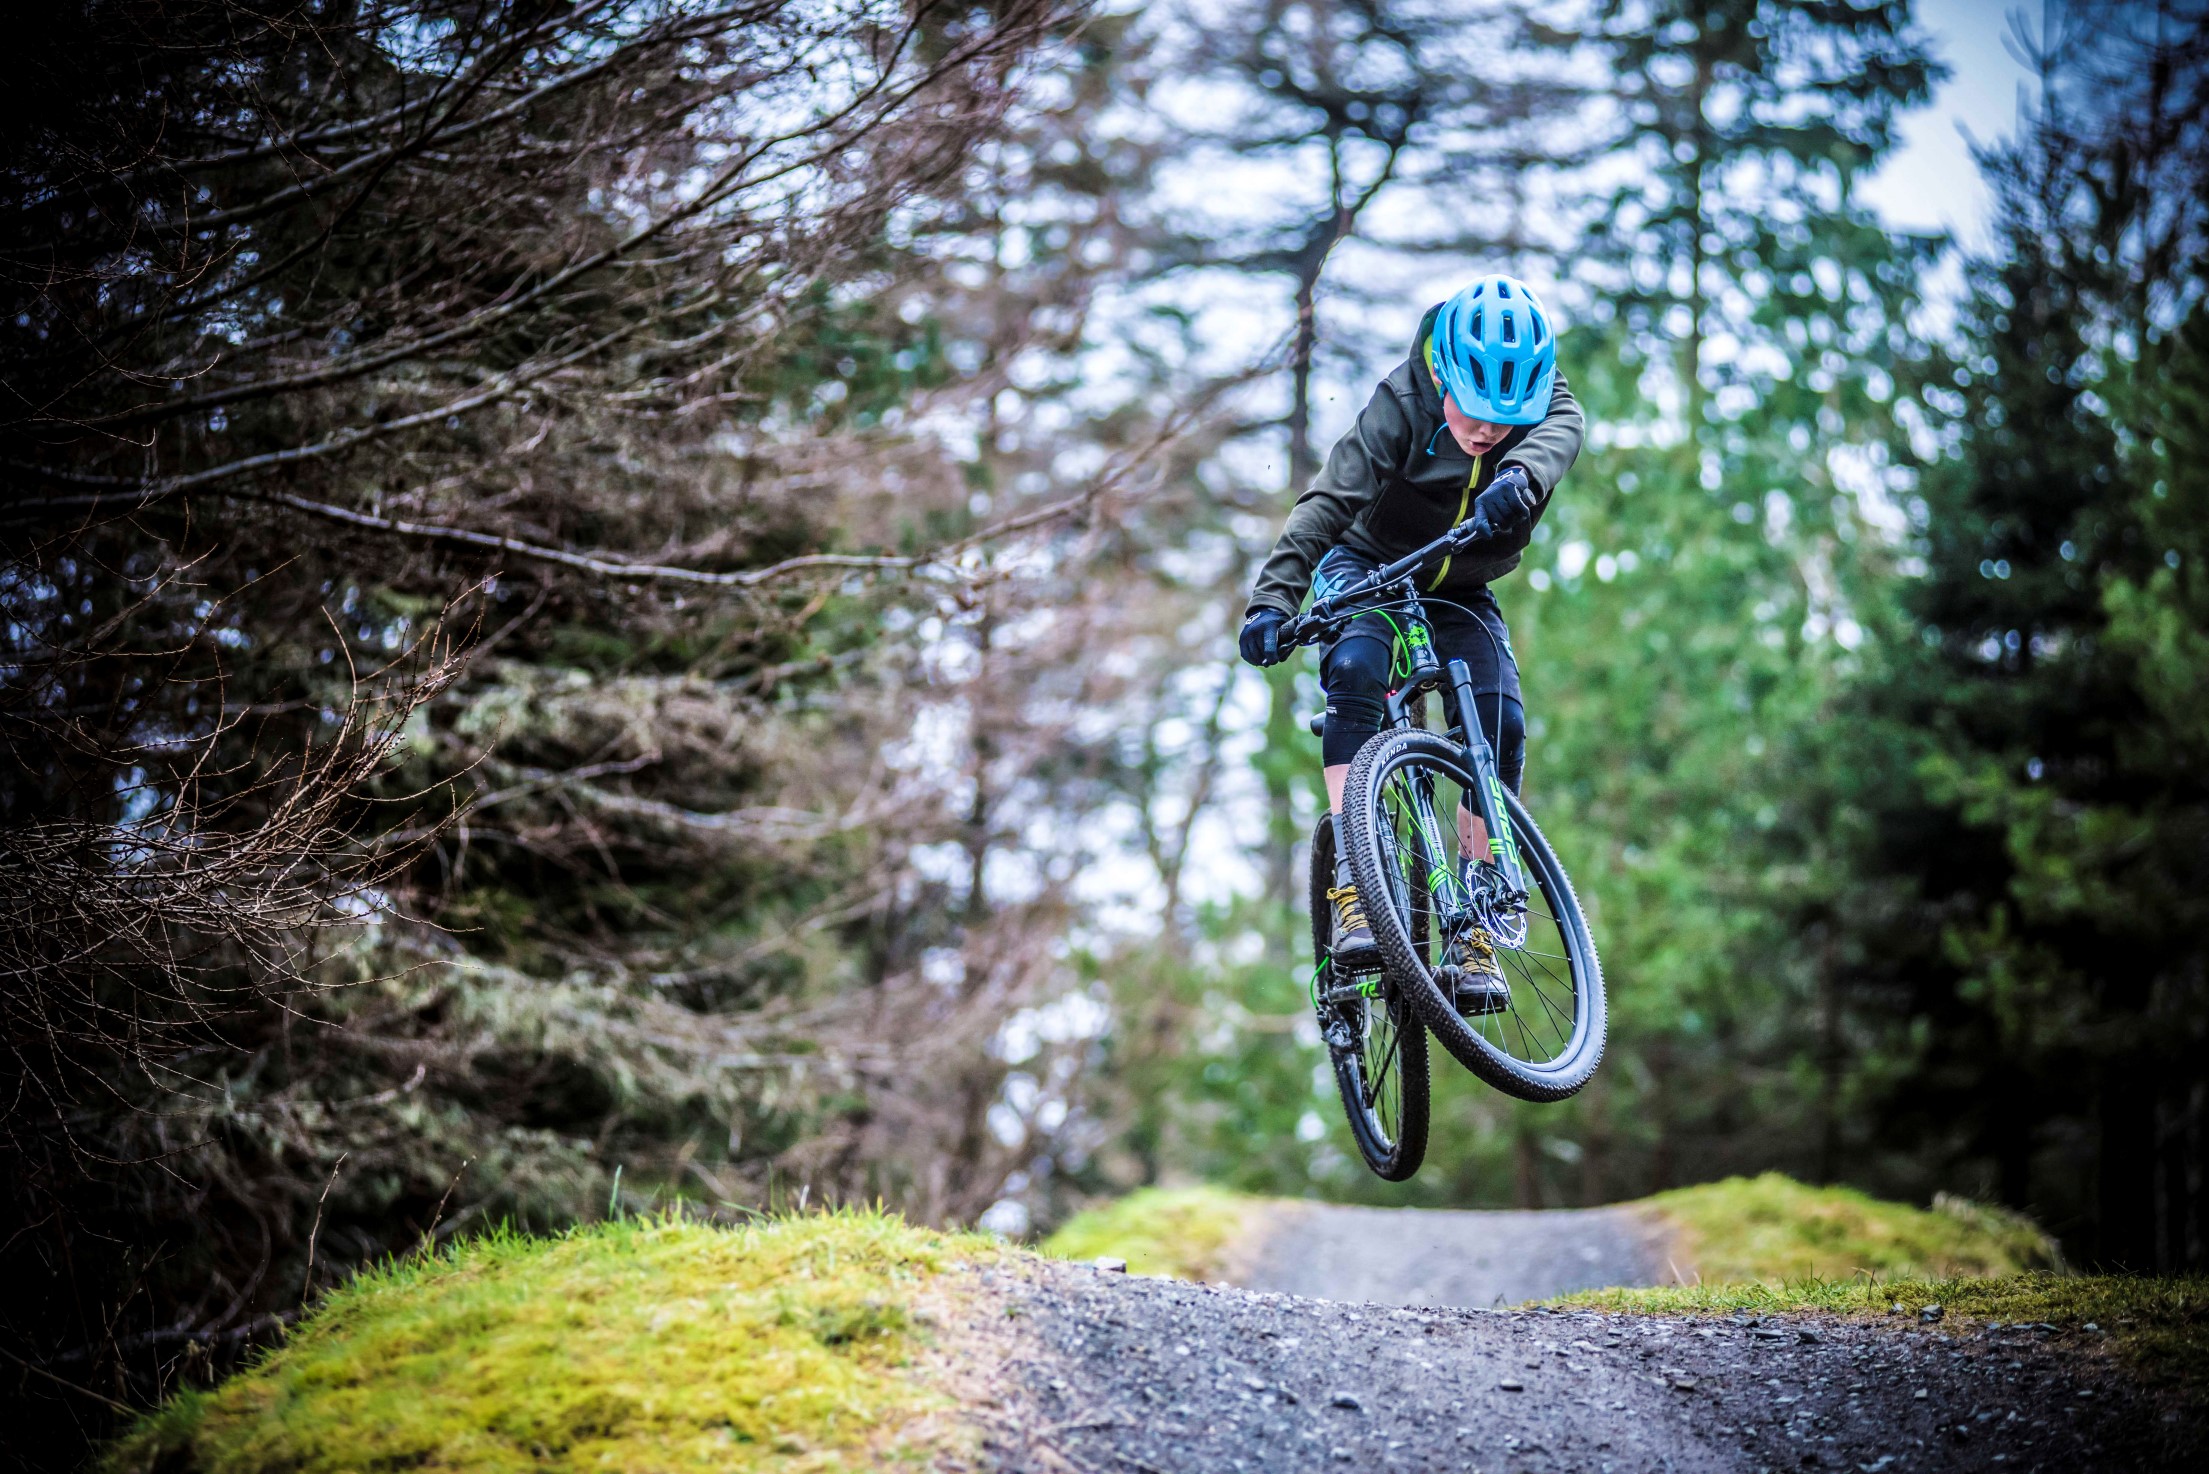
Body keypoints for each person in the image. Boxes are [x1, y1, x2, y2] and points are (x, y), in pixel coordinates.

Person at [1237, 273, 1583, 1013]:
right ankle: (1356, 882)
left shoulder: (1543, 402)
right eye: (1474, 411)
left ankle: (1476, 921)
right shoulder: (1401, 403)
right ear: (1443, 376)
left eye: (1503, 417)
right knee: (1358, 667)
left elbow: (1560, 431)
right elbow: (1327, 502)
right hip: (1366, 564)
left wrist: (1517, 476)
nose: (1486, 431)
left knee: (1500, 723)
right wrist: (1273, 602)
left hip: (1458, 586)